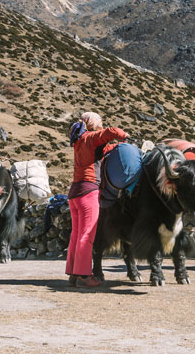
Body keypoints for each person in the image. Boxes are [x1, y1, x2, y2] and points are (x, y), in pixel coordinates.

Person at [66, 112, 128, 288]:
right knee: (87, 235)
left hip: (74, 193)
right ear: (93, 124)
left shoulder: (79, 141)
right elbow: (111, 131)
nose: (101, 125)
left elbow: (101, 151)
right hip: (88, 192)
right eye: (99, 122)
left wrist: (117, 147)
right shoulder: (92, 137)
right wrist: (124, 136)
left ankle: (73, 274)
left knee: (76, 235)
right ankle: (85, 276)